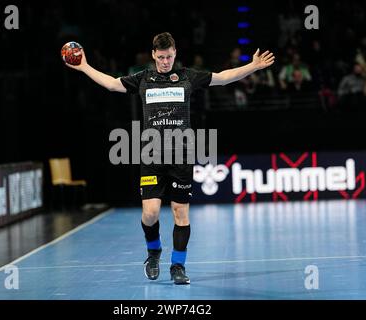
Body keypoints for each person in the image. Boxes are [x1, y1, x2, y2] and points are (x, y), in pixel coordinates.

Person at [65, 32, 275, 284]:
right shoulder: (143, 79)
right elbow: (111, 84)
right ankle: (153, 252)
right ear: (153, 55)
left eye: (169, 57)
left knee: (180, 213)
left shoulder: (187, 76)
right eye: (161, 57)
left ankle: (178, 266)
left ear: (175, 54)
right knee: (150, 213)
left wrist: (252, 66)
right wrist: (85, 66)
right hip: (151, 154)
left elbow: (222, 78)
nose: (165, 61)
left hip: (182, 155)